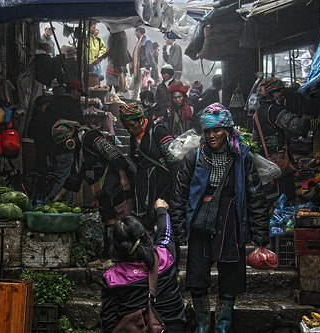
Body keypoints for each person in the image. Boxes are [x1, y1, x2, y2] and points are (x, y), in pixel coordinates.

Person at [170, 103, 270, 333]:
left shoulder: (241, 157)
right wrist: (178, 227)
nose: (212, 136)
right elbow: (179, 194)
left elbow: (255, 195)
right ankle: (203, 324)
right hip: (200, 221)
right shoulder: (194, 156)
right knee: (196, 274)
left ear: (227, 131)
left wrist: (259, 231)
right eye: (207, 131)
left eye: (217, 130)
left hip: (230, 220)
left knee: (231, 275)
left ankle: (223, 325)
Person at [51, 120, 134, 269]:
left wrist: (122, 176)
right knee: (107, 217)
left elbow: (112, 153)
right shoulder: (79, 149)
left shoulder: (91, 137)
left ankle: (115, 258)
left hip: (115, 179)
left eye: (64, 143)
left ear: (70, 138)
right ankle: (105, 257)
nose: (65, 147)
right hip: (103, 184)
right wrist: (59, 196)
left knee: (117, 218)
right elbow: (76, 174)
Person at [101, 199, 187, 333]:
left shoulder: (113, 278)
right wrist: (161, 210)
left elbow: (109, 321)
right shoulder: (165, 257)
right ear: (145, 237)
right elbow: (165, 232)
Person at [252, 77, 320, 201]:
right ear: (272, 93)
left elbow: (255, 137)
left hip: (265, 161)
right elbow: (295, 125)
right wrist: (319, 123)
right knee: (285, 195)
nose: (281, 95)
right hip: (280, 162)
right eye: (279, 91)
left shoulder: (257, 113)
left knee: (272, 197)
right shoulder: (274, 109)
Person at [119, 102, 179, 232]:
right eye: (126, 127)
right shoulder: (133, 138)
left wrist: (177, 181)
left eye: (131, 125)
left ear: (141, 119)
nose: (129, 129)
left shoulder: (158, 130)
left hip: (162, 183)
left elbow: (172, 157)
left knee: (161, 212)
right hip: (144, 185)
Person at [45, 80, 86, 199]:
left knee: (62, 175)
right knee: (62, 177)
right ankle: (51, 203)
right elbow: (80, 124)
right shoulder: (74, 105)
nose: (79, 97)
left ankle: (64, 205)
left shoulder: (52, 104)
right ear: (74, 91)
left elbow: (46, 126)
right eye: (79, 93)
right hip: (67, 147)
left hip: (53, 147)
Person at [28, 95, 53, 199]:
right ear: (40, 106)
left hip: (39, 149)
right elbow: (44, 136)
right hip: (42, 149)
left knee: (40, 172)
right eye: (46, 105)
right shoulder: (41, 118)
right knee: (42, 174)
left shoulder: (35, 118)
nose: (47, 107)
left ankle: (37, 195)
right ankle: (40, 196)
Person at [129, 26, 155, 100]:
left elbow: (148, 54)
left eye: (135, 33)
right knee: (133, 86)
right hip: (137, 69)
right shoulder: (139, 41)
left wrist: (147, 67)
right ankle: (132, 102)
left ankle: (145, 104)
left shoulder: (147, 41)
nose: (135, 35)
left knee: (144, 88)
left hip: (144, 68)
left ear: (138, 32)